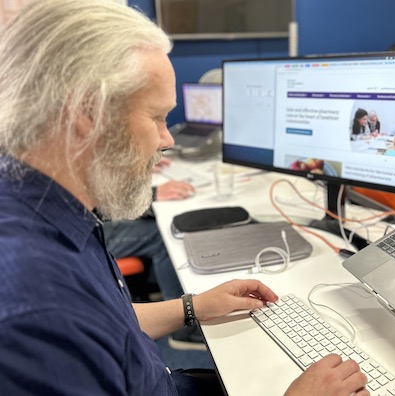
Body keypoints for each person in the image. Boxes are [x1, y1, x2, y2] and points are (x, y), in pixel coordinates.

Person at [0, 1, 369, 395]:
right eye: (156, 117)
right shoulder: (32, 307)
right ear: (88, 112)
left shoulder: (53, 213)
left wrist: (191, 307)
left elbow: (104, 325)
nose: (168, 140)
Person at [102, 156, 205, 349]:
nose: (168, 140)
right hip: (87, 229)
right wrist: (153, 193)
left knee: (157, 221)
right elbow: (97, 198)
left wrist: (130, 164)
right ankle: (183, 329)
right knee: (162, 235)